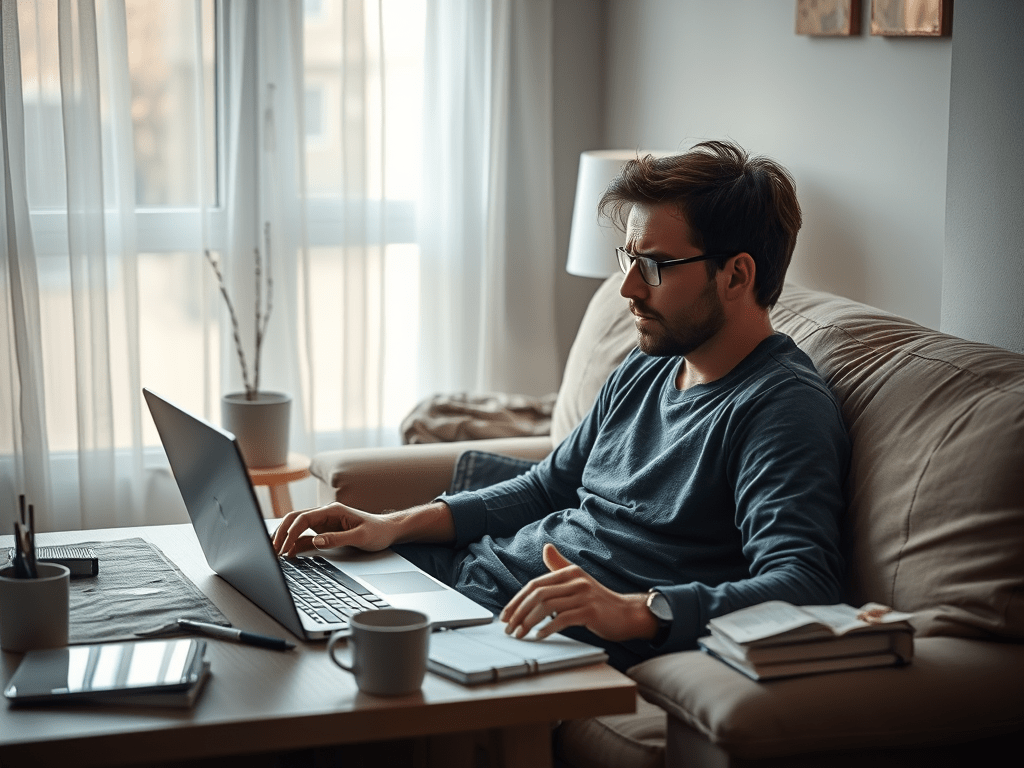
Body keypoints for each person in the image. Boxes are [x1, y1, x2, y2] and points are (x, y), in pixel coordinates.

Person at [274, 140, 850, 670]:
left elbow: (804, 582)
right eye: (627, 257)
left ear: (737, 275)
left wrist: (632, 611)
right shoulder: (649, 363)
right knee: (263, 601)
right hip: (473, 581)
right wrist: (391, 525)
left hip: (530, 629)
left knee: (294, 685)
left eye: (652, 266)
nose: (628, 289)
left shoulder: (781, 409)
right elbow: (546, 488)